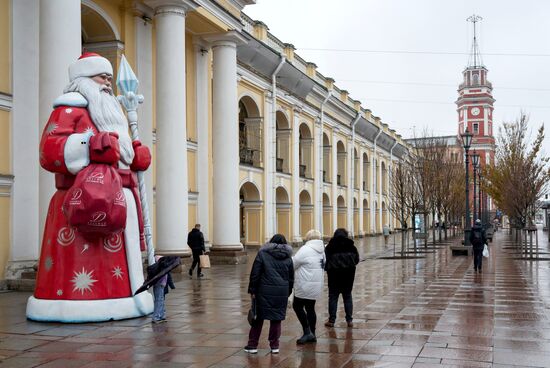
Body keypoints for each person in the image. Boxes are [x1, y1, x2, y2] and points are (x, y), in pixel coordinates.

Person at [27, 53, 153, 322]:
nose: (107, 84)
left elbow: (121, 154)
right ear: (83, 80)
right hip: (81, 201)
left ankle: (124, 296)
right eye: (101, 77)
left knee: (117, 262)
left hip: (119, 199)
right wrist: (90, 146)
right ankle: (74, 303)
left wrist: (135, 158)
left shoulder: (110, 113)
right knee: (84, 259)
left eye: (109, 78)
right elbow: (49, 151)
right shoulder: (68, 110)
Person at [245, 234, 294, 355]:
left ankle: (252, 345)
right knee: (276, 319)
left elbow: (255, 274)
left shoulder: (262, 254)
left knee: (258, 318)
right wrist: (288, 291)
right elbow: (291, 278)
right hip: (281, 291)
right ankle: (275, 346)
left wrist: (252, 290)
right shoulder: (288, 257)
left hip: (263, 291)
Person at [292, 229, 326, 344]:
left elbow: (294, 263)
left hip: (304, 284)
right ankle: (313, 334)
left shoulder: (305, 249)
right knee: (310, 308)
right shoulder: (322, 250)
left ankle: (307, 332)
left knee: (297, 306)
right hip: (316, 284)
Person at [324, 228, 359, 328]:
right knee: (347, 297)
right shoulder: (351, 246)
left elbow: (325, 261)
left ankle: (331, 320)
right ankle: (349, 320)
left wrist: (329, 269)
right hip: (348, 277)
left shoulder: (330, 247)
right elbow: (356, 260)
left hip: (333, 277)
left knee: (333, 297)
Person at [151, 256, 176, 323]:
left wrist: (172, 286)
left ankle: (162, 315)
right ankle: (156, 317)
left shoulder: (164, 266)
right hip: (159, 285)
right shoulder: (159, 267)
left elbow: (169, 276)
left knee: (161, 300)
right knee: (159, 300)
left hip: (162, 285)